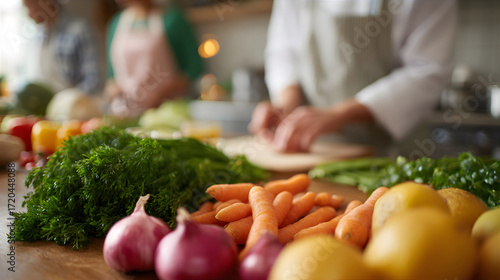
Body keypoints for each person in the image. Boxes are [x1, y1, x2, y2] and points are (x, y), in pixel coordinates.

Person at [249, 0, 457, 153]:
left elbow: (426, 71)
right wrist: (286, 104)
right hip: (311, 150)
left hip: (393, 153)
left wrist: (340, 114)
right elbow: (284, 53)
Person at [105, 0, 203, 117]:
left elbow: (194, 68)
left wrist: (160, 94)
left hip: (166, 111)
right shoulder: (116, 23)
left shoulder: (173, 20)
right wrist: (112, 89)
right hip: (126, 114)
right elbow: (112, 74)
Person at [23, 0, 103, 95]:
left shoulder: (79, 30)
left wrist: (68, 100)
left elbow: (94, 79)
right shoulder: (38, 36)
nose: (29, 14)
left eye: (29, 7)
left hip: (74, 106)